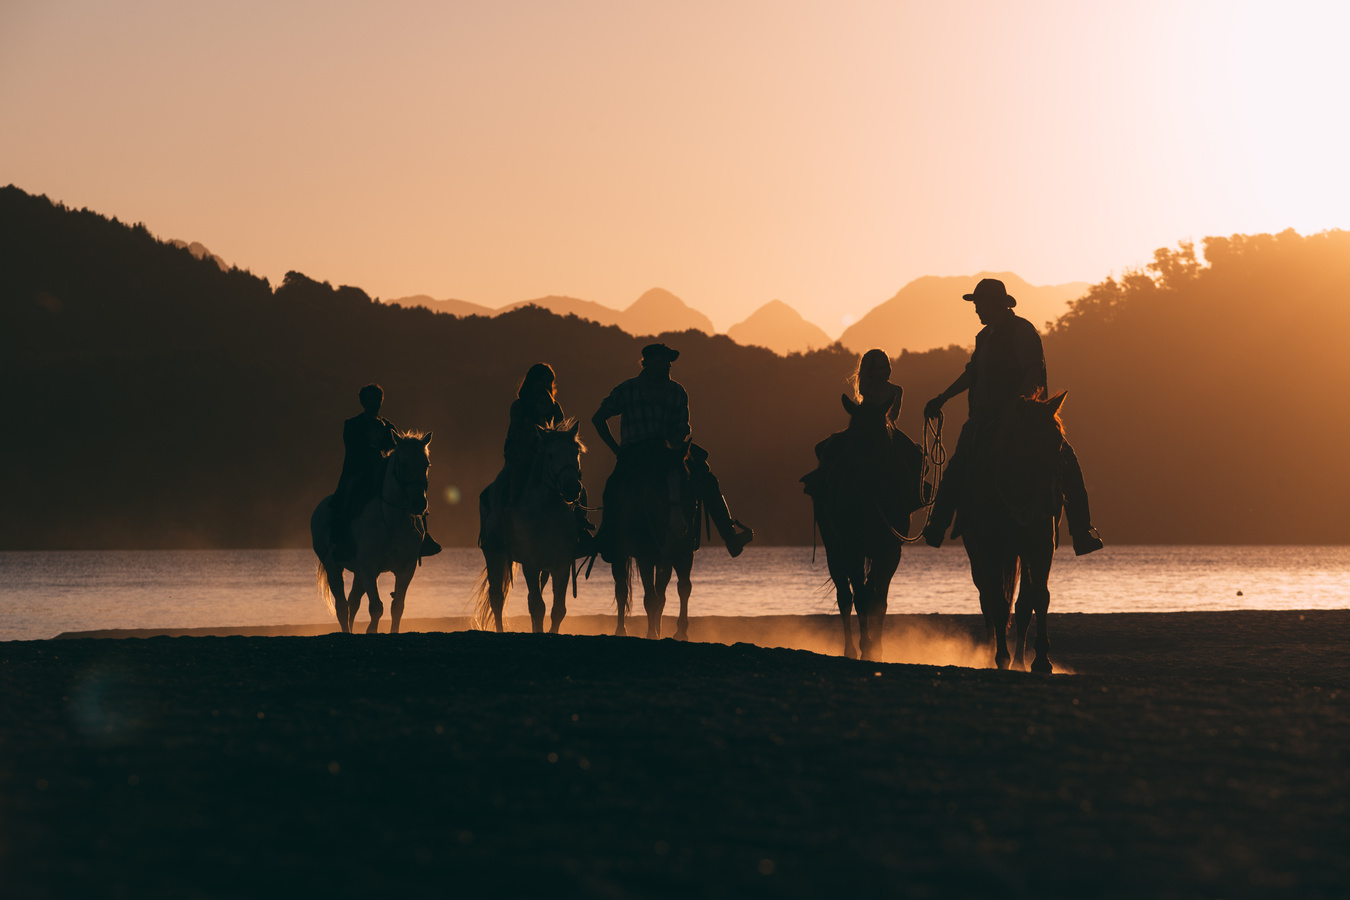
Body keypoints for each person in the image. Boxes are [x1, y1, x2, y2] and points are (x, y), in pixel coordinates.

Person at [921, 278, 1103, 555]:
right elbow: (972, 374)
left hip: (1025, 417)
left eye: (979, 304)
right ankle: (938, 522)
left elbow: (1033, 372)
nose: (976, 310)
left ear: (991, 304)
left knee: (1066, 461)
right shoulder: (984, 337)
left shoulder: (1022, 331)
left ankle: (1081, 531)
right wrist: (943, 397)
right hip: (983, 417)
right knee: (958, 464)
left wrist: (1015, 405)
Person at [591, 343, 754, 559]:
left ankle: (729, 537)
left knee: (706, 477)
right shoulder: (626, 389)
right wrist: (616, 450)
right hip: (634, 454)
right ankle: (607, 538)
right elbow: (598, 418)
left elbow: (683, 427)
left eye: (668, 361)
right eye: (662, 360)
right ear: (647, 363)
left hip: (668, 453)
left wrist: (673, 447)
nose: (668, 365)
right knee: (614, 486)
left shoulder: (678, 392)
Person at [479, 363, 595, 554]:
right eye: (542, 380)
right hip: (522, 458)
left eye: (549, 381)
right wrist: (537, 440)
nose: (545, 384)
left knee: (578, 488)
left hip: (550, 460)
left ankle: (580, 526)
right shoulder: (519, 406)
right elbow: (514, 434)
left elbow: (562, 432)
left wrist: (559, 447)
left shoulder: (555, 407)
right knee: (503, 484)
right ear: (532, 382)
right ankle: (500, 526)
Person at [330, 383, 441, 560]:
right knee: (348, 495)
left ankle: (423, 536)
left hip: (383, 472)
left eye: (378, 399)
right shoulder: (352, 424)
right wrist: (374, 459)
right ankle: (342, 542)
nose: (375, 402)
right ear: (362, 401)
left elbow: (397, 451)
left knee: (413, 490)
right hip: (358, 472)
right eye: (370, 399)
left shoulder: (388, 426)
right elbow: (353, 451)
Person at [801, 349, 920, 504]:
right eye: (880, 368)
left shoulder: (897, 390)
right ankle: (821, 484)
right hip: (863, 428)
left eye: (887, 366)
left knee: (916, 455)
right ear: (871, 372)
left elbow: (894, 415)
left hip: (886, 430)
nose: (886, 371)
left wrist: (878, 419)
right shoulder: (866, 388)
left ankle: (916, 493)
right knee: (824, 448)